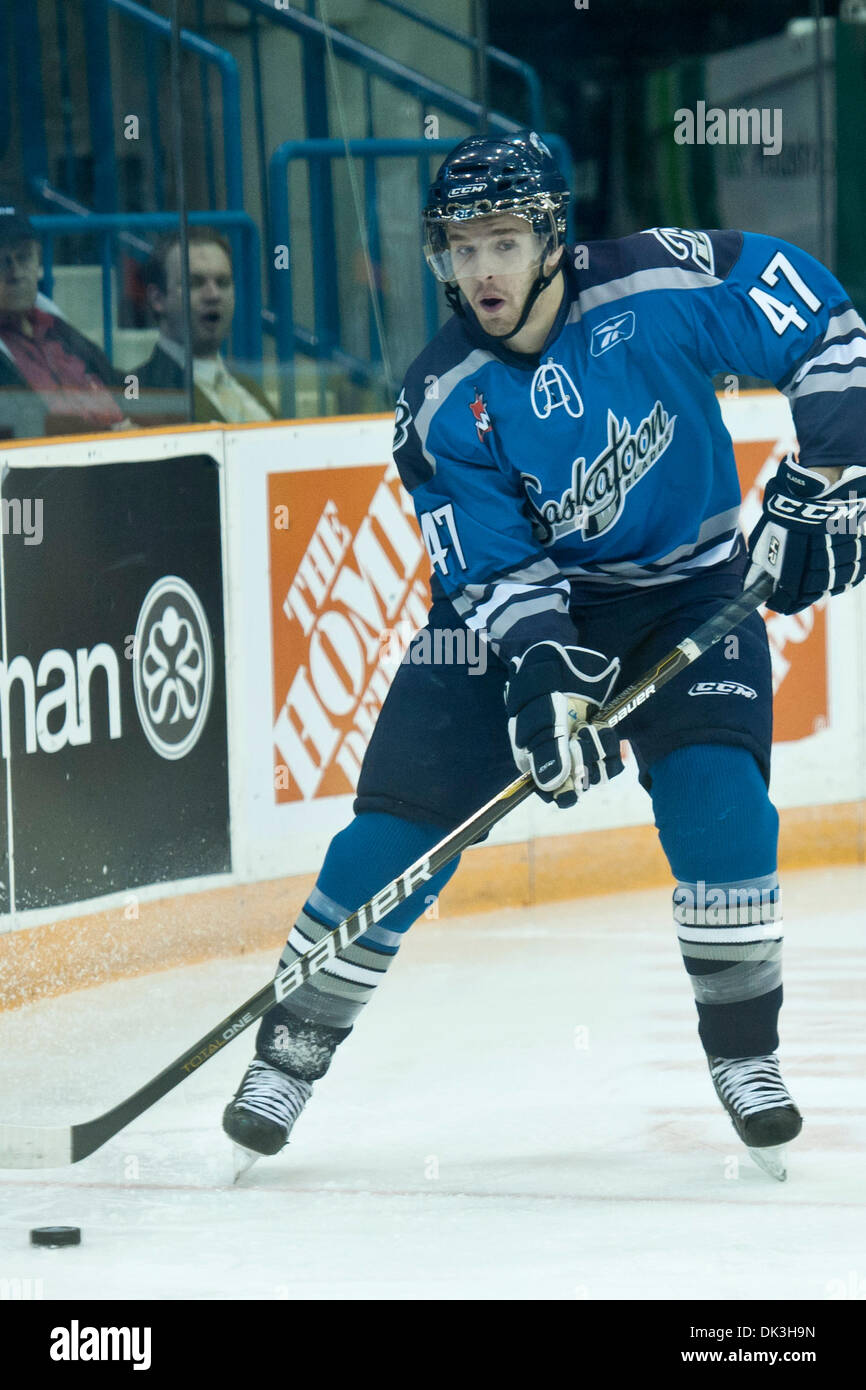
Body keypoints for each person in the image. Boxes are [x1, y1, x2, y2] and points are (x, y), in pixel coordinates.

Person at [223, 132, 866, 1179]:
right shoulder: (437, 397)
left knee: (723, 810)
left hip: (686, 590)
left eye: (503, 241)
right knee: (389, 840)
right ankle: (290, 1054)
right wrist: (538, 669)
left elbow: (817, 311)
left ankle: (745, 1056)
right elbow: (487, 567)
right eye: (460, 245)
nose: (479, 270)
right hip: (519, 616)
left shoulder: (657, 285)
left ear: (552, 236)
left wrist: (835, 469)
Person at [0, 206, 127, 439]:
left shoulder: (56, 327)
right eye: (1, 261)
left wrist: (144, 403)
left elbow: (125, 383)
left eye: (24, 256)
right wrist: (107, 434)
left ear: (38, 260)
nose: (15, 272)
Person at [135, 228, 276, 423]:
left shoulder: (246, 386)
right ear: (158, 299)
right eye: (194, 283)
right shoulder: (143, 392)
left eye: (223, 282)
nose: (213, 295)